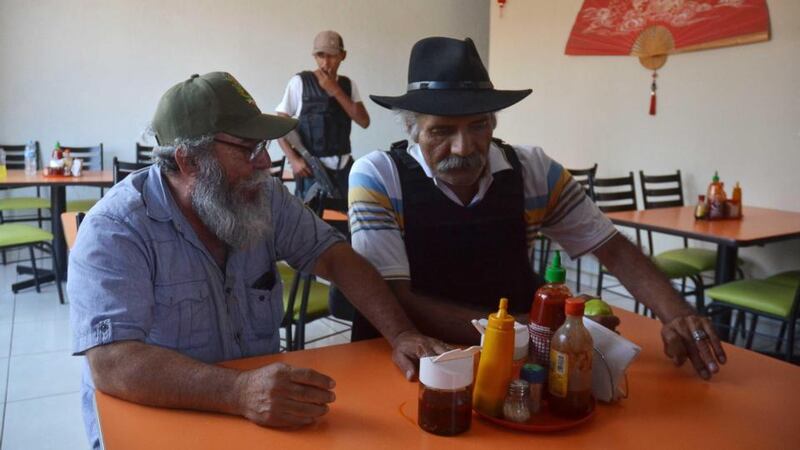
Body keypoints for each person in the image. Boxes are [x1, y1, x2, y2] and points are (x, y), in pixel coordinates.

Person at [68, 72, 445, 449]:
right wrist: (238, 391)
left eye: (263, 145)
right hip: (159, 424)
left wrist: (401, 334)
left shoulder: (260, 195)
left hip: (256, 424)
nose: (266, 162)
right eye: (248, 148)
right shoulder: (116, 229)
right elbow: (111, 361)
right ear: (188, 161)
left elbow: (334, 257)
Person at [348, 37, 726, 380]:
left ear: (493, 123)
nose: (463, 147)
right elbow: (392, 294)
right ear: (413, 129)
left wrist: (677, 315)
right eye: (442, 131)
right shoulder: (379, 177)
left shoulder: (533, 171)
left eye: (478, 126)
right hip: (418, 360)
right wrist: (529, 329)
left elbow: (611, 246)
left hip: (518, 365)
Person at [276, 30, 370, 200]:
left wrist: (335, 90)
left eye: (332, 56)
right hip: (311, 169)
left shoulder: (348, 85)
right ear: (314, 56)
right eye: (320, 55)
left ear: (343, 55)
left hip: (344, 167)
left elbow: (363, 121)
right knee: (309, 222)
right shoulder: (300, 82)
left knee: (345, 220)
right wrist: (294, 160)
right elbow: (279, 123)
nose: (326, 62)